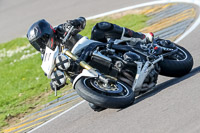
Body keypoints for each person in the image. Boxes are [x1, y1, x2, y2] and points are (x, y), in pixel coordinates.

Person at [27, 17, 154, 111]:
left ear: (48, 32)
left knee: (101, 27)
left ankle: (142, 37)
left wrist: (75, 23)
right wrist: (54, 82)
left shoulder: (61, 30)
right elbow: (50, 73)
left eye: (42, 39)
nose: (42, 44)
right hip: (84, 72)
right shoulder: (46, 57)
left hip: (91, 49)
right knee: (96, 105)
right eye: (37, 43)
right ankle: (123, 84)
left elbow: (81, 22)